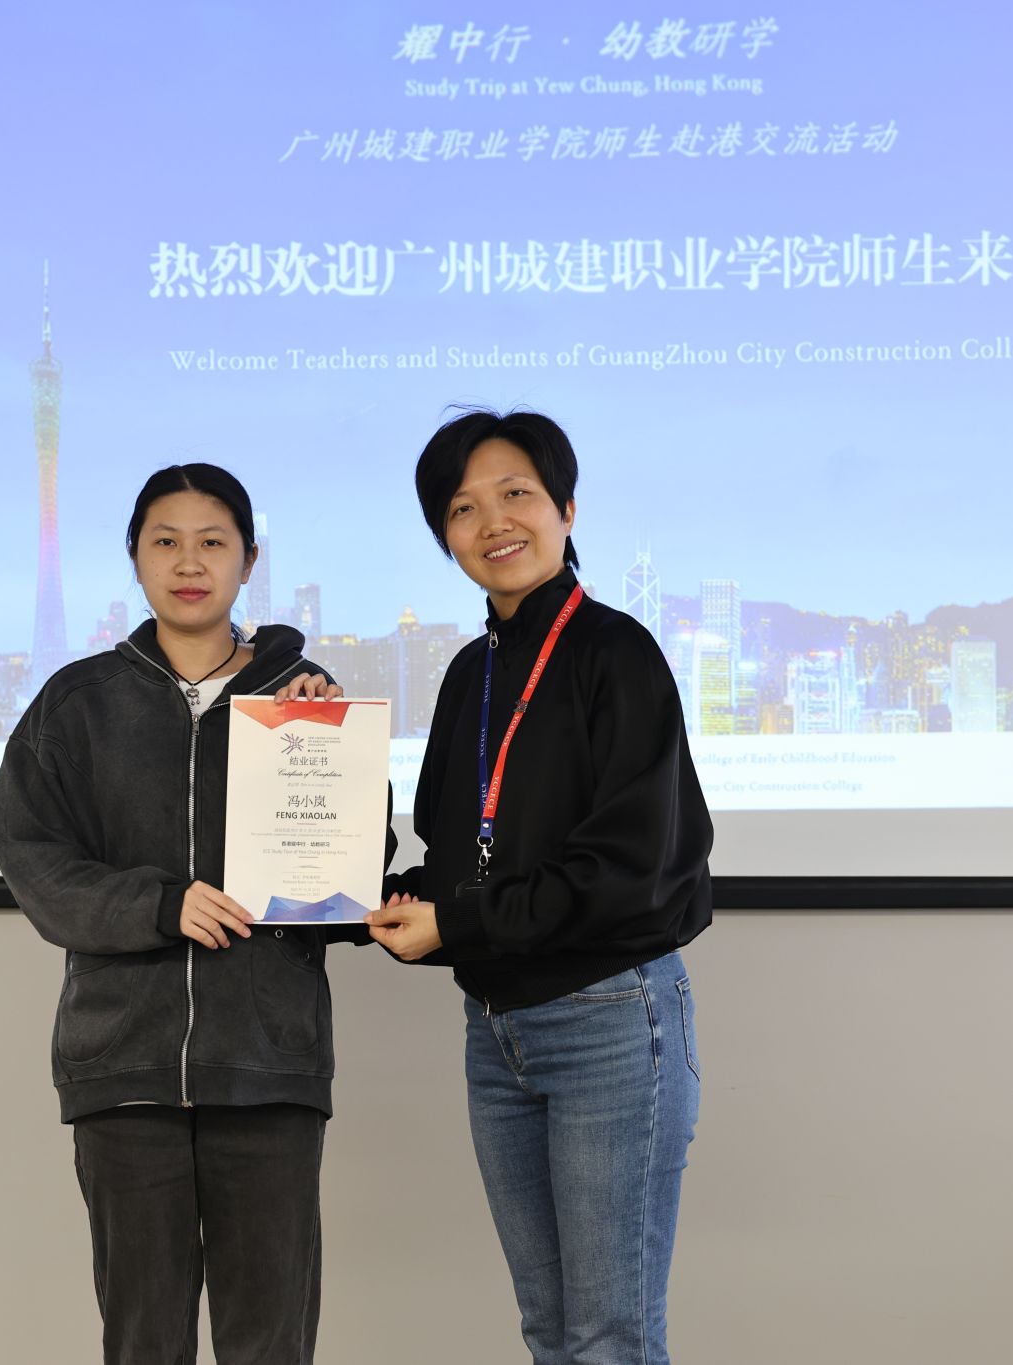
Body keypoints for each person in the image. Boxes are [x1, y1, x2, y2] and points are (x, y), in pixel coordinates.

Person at [363, 409, 714, 1365]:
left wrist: (455, 921)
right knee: (551, 1332)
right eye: (462, 508)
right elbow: (457, 860)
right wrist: (343, 898)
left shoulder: (616, 653)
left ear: (566, 508)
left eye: (515, 493)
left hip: (609, 1019)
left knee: (608, 1336)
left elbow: (630, 872)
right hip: (497, 1032)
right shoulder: (467, 675)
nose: (492, 522)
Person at [0, 462, 358, 1365]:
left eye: (213, 542)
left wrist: (330, 743)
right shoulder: (77, 702)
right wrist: (159, 903)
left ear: (248, 561)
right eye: (166, 541)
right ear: (135, 557)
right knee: (143, 1342)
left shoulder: (301, 699)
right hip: (125, 1067)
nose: (189, 562)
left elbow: (351, 864)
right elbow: (30, 854)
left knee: (270, 1343)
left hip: (268, 1064)